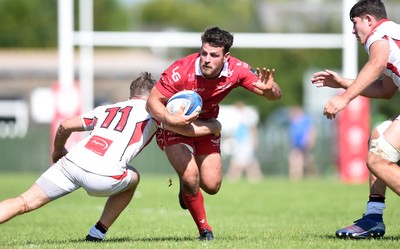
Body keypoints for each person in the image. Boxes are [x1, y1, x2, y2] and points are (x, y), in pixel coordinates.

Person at [0, 72, 221, 242]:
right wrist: (215, 125)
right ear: (155, 98)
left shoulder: (107, 108)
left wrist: (58, 150)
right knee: (133, 178)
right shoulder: (155, 112)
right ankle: (97, 233)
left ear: (130, 95)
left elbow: (65, 125)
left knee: (23, 202)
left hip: (72, 163)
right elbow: (191, 131)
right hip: (103, 175)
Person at [146, 26, 282, 240]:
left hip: (206, 126)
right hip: (174, 125)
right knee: (191, 177)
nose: (206, 59)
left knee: (211, 185)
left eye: (214, 55)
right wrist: (171, 119)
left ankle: (186, 189)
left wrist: (270, 90)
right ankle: (205, 230)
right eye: (204, 53)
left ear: (226, 57)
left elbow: (274, 95)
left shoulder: (237, 69)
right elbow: (152, 101)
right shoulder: (181, 70)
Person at [311, 0, 400, 239]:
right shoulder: (393, 36)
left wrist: (344, 98)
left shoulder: (378, 35)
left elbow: (376, 63)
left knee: (377, 160)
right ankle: (373, 218)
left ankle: (372, 219)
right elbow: (385, 90)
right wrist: (343, 83)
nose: (353, 30)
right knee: (378, 137)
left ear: (368, 20)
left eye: (355, 22)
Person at [225, 101, 262, 182]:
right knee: (245, 160)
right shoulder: (236, 118)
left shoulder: (247, 117)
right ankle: (252, 176)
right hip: (239, 142)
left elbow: (253, 129)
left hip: (246, 142)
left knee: (244, 160)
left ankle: (235, 177)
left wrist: (255, 141)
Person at [287, 106, 318, 181]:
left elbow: (311, 130)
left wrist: (310, 140)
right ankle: (295, 177)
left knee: (308, 161)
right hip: (296, 145)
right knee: (295, 160)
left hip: (305, 143)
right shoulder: (293, 121)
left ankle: (313, 175)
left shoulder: (305, 120)